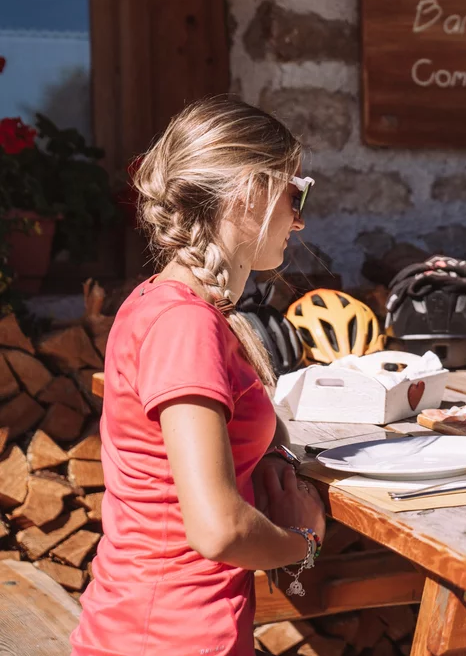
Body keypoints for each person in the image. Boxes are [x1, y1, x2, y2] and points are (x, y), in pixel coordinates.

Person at [72, 97, 326, 656]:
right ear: (248, 193)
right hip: (169, 637)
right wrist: (304, 541)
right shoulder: (185, 324)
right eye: (296, 192)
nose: (301, 217)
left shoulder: (164, 305)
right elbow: (218, 529)